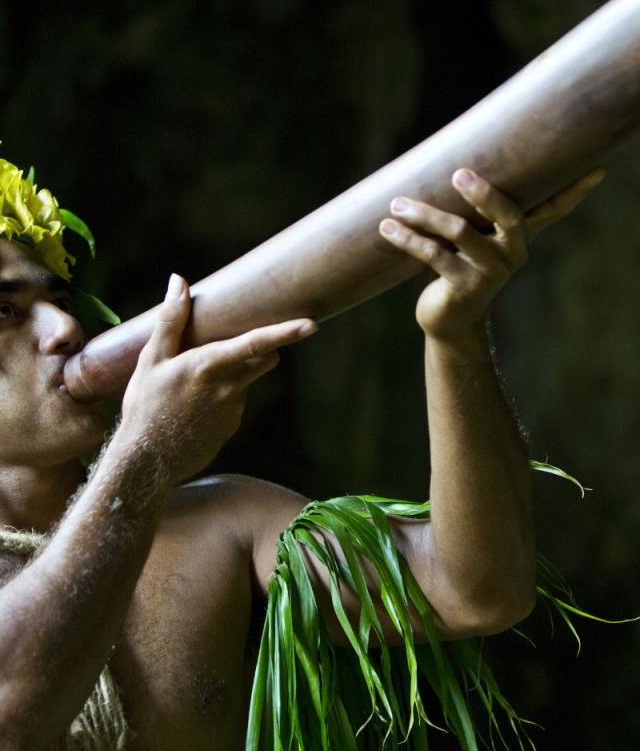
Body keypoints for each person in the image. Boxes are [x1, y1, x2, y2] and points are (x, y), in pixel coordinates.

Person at [0, 157, 601, 750]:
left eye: (60, 298)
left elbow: (478, 590)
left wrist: (456, 333)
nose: (63, 328)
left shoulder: (221, 521)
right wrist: (147, 452)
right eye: (5, 311)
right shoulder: (148, 470)